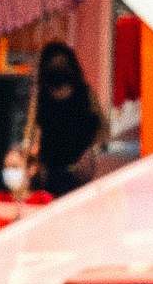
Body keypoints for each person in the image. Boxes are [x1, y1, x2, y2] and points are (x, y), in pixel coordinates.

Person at [26, 45, 104, 200]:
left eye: (62, 62)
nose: (58, 66)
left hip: (79, 168)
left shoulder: (85, 93)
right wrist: (34, 162)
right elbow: (30, 131)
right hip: (48, 170)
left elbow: (101, 128)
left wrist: (89, 155)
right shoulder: (40, 97)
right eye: (54, 63)